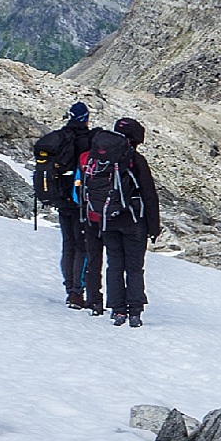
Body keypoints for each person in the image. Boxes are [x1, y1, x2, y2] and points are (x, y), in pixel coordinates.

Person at [84, 116, 161, 328]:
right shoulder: (135, 160)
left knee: (114, 265)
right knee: (134, 267)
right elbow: (149, 195)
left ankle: (117, 310)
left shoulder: (101, 157)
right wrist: (154, 228)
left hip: (108, 220)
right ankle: (134, 312)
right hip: (134, 221)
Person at [34, 102, 98, 308]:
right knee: (83, 247)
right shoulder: (87, 141)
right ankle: (77, 292)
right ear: (86, 118)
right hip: (80, 200)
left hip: (61, 199)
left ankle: (69, 287)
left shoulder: (60, 138)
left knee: (68, 245)